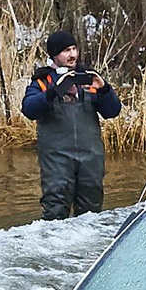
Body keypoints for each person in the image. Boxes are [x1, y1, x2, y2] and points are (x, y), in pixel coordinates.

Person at [22, 30, 121, 218]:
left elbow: (112, 111)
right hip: (56, 159)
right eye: (67, 50)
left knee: (92, 214)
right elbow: (28, 109)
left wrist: (105, 89)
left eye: (75, 49)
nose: (73, 54)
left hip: (90, 158)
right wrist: (54, 92)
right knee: (55, 210)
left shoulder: (89, 79)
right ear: (54, 55)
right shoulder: (42, 82)